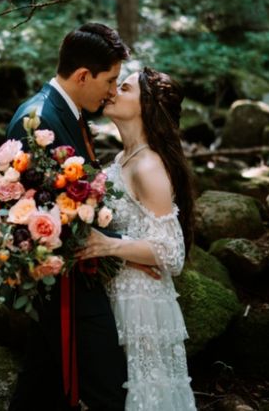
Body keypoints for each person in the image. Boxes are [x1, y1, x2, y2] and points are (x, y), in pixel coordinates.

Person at [7, 23, 131, 411]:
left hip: (75, 275)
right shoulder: (40, 119)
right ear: (82, 75)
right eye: (110, 80)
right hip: (64, 284)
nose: (113, 91)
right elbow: (29, 213)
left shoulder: (67, 113)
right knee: (107, 388)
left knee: (40, 385)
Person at [77, 68, 197, 411]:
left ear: (145, 105)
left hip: (140, 302)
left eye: (124, 87)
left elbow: (172, 252)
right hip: (119, 288)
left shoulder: (148, 166)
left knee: (143, 394)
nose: (113, 91)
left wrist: (108, 246)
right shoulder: (122, 158)